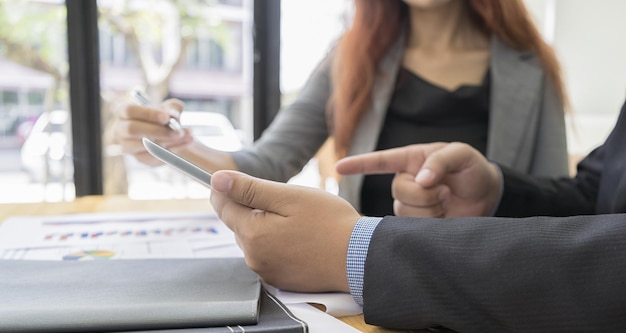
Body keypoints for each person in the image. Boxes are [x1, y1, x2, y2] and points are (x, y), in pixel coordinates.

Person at [207, 98, 626, 333]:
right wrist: (497, 195)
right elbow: (600, 195)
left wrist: (359, 250)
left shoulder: (529, 62)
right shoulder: (352, 51)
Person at [113, 0, 570, 216]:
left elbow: (558, 208)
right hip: (368, 288)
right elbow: (264, 164)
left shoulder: (531, 67)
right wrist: (173, 144)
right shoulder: (351, 57)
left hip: (488, 288)